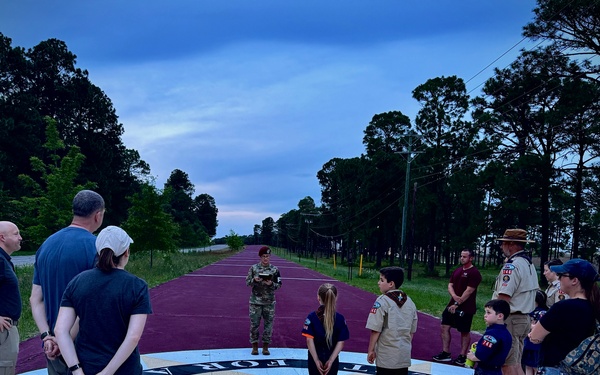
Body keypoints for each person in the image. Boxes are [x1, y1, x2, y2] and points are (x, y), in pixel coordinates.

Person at [54, 226, 152, 375]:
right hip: (124, 370)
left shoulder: (77, 282)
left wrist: (76, 370)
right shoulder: (136, 286)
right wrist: (107, 372)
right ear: (126, 252)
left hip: (86, 365)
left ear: (99, 251)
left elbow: (60, 331)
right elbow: (133, 337)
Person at [30, 189, 105, 374]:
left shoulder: (46, 245)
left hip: (52, 348)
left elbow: (35, 299)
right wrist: (63, 340)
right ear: (98, 215)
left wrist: (47, 336)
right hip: (83, 348)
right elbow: (90, 302)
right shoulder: (96, 247)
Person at [528, 258, 600, 375]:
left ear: (574, 280)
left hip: (556, 368)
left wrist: (532, 329)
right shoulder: (595, 307)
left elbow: (535, 337)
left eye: (561, 275)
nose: (559, 278)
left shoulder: (562, 308)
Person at [492, 228, 539, 375]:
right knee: (516, 362)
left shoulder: (512, 266)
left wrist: (494, 317)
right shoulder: (529, 264)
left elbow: (504, 297)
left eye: (504, 243)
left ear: (511, 244)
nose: (501, 247)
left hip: (510, 319)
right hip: (523, 318)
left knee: (507, 364)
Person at [433, 248, 482, 366]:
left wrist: (457, 303)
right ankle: (446, 353)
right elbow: (450, 285)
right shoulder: (457, 271)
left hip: (466, 307)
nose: (462, 258)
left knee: (464, 331)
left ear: (471, 258)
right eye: (461, 256)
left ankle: (462, 356)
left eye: (465, 257)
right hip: (452, 304)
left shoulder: (474, 273)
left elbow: (469, 290)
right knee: (444, 326)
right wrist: (454, 296)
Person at [366, 266, 418, 375]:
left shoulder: (382, 301)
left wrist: (371, 350)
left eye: (381, 280)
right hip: (403, 355)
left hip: (386, 356)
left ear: (391, 284)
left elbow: (376, 329)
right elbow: (411, 331)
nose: (378, 283)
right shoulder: (410, 302)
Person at [301, 283, 350, 375]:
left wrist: (316, 360)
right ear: (335, 298)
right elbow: (341, 342)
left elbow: (309, 340)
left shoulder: (311, 317)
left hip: (315, 357)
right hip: (332, 357)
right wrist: (331, 360)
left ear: (318, 298)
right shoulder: (340, 319)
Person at [245, 246, 282, 355]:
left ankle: (266, 346)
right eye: (263, 256)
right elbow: (247, 282)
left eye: (267, 256)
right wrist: (254, 280)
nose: (266, 259)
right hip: (255, 302)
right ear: (260, 257)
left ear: (270, 257)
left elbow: (279, 284)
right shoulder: (253, 268)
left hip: (269, 302)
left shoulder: (275, 270)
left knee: (268, 325)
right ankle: (254, 346)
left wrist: (271, 284)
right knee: (254, 324)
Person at [0, 221, 23, 375]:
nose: (20, 237)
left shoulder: (4, 260)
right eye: (16, 234)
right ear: (2, 237)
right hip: (3, 331)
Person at [466, 299, 512, 375]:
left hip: (485, 370)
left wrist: (473, 357)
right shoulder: (506, 333)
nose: (485, 315)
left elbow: (482, 354)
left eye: (488, 312)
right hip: (497, 370)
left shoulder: (491, 334)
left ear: (500, 316)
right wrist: (481, 343)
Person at [521, 290, 548, 375]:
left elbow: (540, 327)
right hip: (528, 343)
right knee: (528, 365)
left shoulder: (542, 313)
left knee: (536, 366)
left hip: (537, 346)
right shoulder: (529, 312)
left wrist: (530, 325)